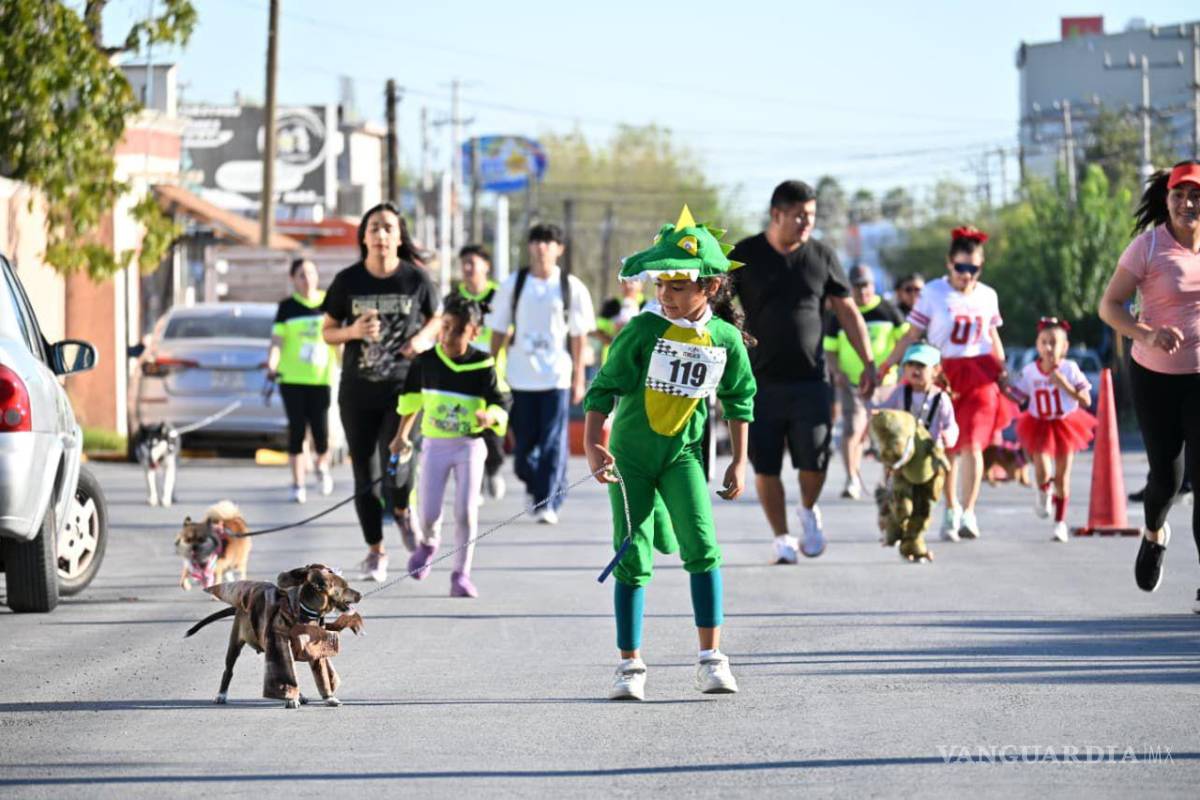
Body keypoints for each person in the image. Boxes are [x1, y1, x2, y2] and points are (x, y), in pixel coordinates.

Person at [583, 207, 756, 701]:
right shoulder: (640, 331)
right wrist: (595, 447)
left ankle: (711, 659)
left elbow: (740, 399)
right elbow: (602, 390)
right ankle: (629, 666)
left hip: (683, 459)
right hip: (629, 460)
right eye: (661, 285)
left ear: (711, 288)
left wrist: (738, 459)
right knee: (632, 556)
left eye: (679, 286)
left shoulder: (724, 339)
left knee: (702, 548)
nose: (667, 295)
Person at [730, 180, 876, 564]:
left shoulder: (822, 256)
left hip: (810, 381)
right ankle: (781, 539)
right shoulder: (744, 255)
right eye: (799, 215)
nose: (806, 223)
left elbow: (847, 311)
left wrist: (869, 362)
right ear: (777, 214)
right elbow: (715, 302)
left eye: (811, 216)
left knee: (815, 460)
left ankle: (808, 510)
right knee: (766, 465)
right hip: (758, 382)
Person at [1098, 160, 1200, 605]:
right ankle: (1155, 532)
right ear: (1167, 199)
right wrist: (1145, 333)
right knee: (1167, 481)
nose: (1188, 202)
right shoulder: (1148, 247)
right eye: (1179, 194)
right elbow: (1110, 305)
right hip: (1155, 377)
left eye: (1196, 195)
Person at [322, 203, 441, 583]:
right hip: (357, 391)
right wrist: (353, 333)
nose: (381, 235)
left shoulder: (416, 280)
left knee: (397, 466)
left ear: (399, 236)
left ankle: (403, 512)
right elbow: (327, 331)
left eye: (388, 228)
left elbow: (437, 318)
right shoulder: (347, 281)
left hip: (403, 390)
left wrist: (421, 339)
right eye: (373, 228)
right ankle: (376, 551)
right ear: (364, 237)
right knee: (365, 476)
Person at [882, 226, 1014, 542]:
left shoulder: (988, 295)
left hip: (982, 373)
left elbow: (993, 336)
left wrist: (1003, 370)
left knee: (973, 444)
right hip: (943, 375)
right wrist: (885, 365)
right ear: (949, 263)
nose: (967, 275)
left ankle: (969, 512)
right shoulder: (932, 293)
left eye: (974, 268)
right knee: (949, 444)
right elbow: (912, 334)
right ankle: (951, 508)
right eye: (961, 267)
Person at [390, 295, 510, 598]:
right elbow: (411, 402)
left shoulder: (484, 364)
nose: (447, 336)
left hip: (469, 446)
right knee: (428, 512)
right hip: (435, 445)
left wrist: (490, 416)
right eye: (443, 328)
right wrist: (400, 436)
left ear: (473, 332)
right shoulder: (425, 362)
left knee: (466, 512)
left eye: (455, 330)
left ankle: (461, 574)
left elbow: (502, 401)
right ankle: (429, 544)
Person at [485, 223, 595, 524]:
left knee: (551, 442)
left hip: (556, 377)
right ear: (530, 247)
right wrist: (489, 370)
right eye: (537, 241)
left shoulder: (571, 287)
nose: (542, 247)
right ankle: (535, 486)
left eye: (548, 242)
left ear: (559, 249)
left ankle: (548, 501)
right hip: (520, 376)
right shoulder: (514, 284)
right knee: (522, 450)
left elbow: (578, 336)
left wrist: (578, 379)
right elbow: (498, 329)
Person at [1004, 317, 1095, 543]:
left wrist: (1065, 385)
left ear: (1064, 347)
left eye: (1054, 342)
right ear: (1037, 345)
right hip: (1039, 424)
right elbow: (1020, 397)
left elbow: (1085, 401)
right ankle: (1043, 492)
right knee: (1042, 472)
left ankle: (1060, 523)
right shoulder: (1030, 371)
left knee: (1063, 478)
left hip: (1065, 424)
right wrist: (1002, 385)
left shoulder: (1070, 368)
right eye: (1044, 342)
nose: (1048, 347)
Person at [824, 264, 907, 499]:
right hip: (852, 383)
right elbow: (830, 350)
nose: (862, 291)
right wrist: (836, 371)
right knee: (853, 427)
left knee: (888, 432)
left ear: (873, 285)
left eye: (866, 285)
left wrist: (891, 363)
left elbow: (905, 339)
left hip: (885, 382)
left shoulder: (887, 310)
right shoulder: (841, 313)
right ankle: (852, 477)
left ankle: (889, 479)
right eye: (857, 287)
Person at [267, 257, 337, 503]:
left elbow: (338, 337)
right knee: (296, 430)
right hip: (292, 378)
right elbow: (277, 342)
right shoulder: (287, 308)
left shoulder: (328, 303)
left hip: (320, 379)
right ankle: (297, 484)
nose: (307, 280)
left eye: (311, 274)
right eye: (301, 275)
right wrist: (272, 365)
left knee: (321, 432)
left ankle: (321, 466)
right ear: (293, 280)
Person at [453, 244, 508, 500]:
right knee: (466, 428)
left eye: (472, 263)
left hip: (495, 374)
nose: (467, 268)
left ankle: (493, 468)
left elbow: (511, 329)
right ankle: (471, 484)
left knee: (493, 429)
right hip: (463, 374)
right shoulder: (454, 298)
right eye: (464, 263)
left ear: (486, 266)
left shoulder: (499, 296)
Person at [877, 343, 958, 450]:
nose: (915, 370)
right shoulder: (900, 392)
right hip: (904, 450)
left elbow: (950, 424)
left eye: (921, 365)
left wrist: (948, 436)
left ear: (936, 370)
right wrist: (877, 414)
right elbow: (885, 411)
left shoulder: (940, 397)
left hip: (930, 452)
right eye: (910, 364)